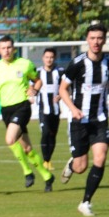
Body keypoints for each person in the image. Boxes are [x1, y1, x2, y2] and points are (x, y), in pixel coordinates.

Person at [57, 22, 109, 217]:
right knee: (80, 166)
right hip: (79, 121)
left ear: (105, 40)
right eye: (92, 38)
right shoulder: (77, 64)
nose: (96, 42)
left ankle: (86, 202)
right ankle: (71, 164)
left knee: (101, 157)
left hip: (100, 119)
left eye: (100, 38)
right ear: (87, 39)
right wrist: (73, 109)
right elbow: (62, 89)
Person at [0, 35, 51, 190]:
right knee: (27, 148)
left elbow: (38, 80)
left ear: (14, 49)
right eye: (3, 48)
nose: (6, 51)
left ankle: (27, 172)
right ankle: (47, 176)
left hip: (22, 106)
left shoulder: (25, 64)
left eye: (9, 47)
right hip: (6, 110)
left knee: (9, 139)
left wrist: (34, 89)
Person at [33, 47, 64, 191]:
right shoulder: (38, 72)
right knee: (45, 133)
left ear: (54, 58)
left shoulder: (60, 72)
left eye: (51, 57)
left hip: (56, 109)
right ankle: (46, 161)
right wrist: (30, 95)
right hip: (43, 109)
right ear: (43, 58)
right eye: (47, 57)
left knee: (52, 135)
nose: (49, 59)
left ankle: (48, 160)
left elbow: (66, 87)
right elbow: (31, 87)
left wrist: (61, 95)